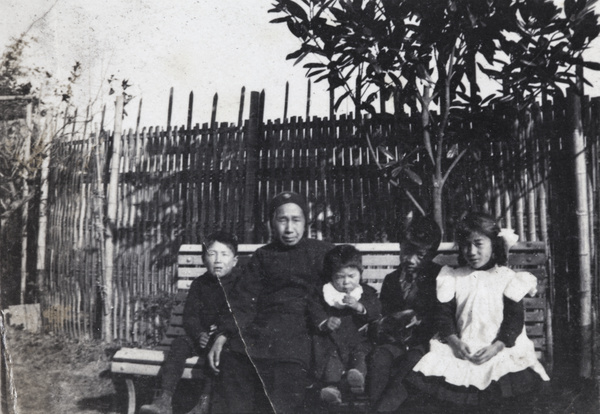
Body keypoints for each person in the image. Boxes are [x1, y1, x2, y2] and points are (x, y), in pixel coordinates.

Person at [207, 191, 334, 414]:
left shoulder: (323, 253)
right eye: (282, 219)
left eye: (296, 220)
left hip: (302, 328)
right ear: (271, 223)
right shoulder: (263, 256)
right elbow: (244, 299)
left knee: (286, 369)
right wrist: (223, 334)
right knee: (233, 359)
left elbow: (348, 283)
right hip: (263, 327)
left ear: (306, 222)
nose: (289, 228)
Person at [407, 212, 550, 409]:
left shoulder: (507, 278)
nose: (471, 251)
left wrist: (497, 346)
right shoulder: (453, 278)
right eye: (465, 245)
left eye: (478, 244)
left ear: (494, 244)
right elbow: (444, 315)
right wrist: (454, 341)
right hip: (461, 348)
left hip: (498, 348)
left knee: (503, 390)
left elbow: (513, 321)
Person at [139, 231, 240, 414]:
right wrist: (198, 333)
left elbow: (235, 315)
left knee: (220, 354)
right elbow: (190, 316)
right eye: (212, 254)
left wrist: (217, 335)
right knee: (179, 344)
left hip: (222, 341)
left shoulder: (239, 286)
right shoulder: (199, 284)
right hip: (199, 337)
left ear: (234, 261)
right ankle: (165, 399)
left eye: (224, 254)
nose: (218, 260)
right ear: (204, 259)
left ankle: (204, 402)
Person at [366, 215, 442, 412]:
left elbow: (442, 315)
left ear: (431, 254)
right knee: (379, 357)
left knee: (412, 362)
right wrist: (387, 324)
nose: (410, 259)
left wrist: (421, 320)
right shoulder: (391, 279)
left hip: (424, 343)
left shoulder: (439, 277)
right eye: (406, 251)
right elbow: (384, 313)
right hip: (395, 342)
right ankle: (377, 408)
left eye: (420, 255)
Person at [313, 245, 381, 405]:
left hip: (357, 338)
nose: (346, 282)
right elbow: (314, 309)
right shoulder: (325, 293)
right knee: (331, 359)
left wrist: (359, 307)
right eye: (339, 277)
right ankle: (332, 389)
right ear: (331, 276)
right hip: (332, 339)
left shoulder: (366, 292)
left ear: (360, 273)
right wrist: (325, 321)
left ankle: (357, 379)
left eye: (351, 276)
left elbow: (376, 308)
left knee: (360, 356)